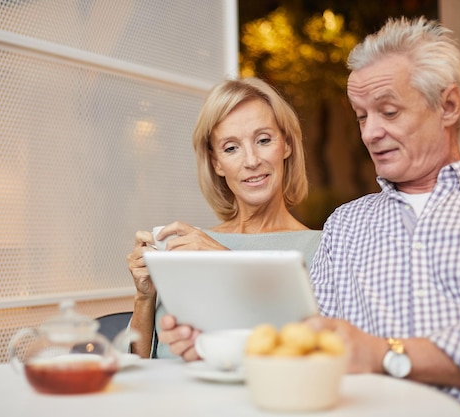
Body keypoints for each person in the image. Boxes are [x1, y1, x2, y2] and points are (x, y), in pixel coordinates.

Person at [305, 16, 460, 417]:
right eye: (362, 116)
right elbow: (314, 345)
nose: (369, 133)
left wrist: (382, 354)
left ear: (448, 105)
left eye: (388, 111)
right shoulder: (344, 225)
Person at [126, 77, 322, 359]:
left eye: (263, 140)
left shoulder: (323, 247)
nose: (252, 160)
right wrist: (145, 297)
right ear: (216, 162)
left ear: (287, 145)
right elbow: (141, 365)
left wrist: (227, 263)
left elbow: (313, 351)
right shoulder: (188, 246)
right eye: (231, 148)